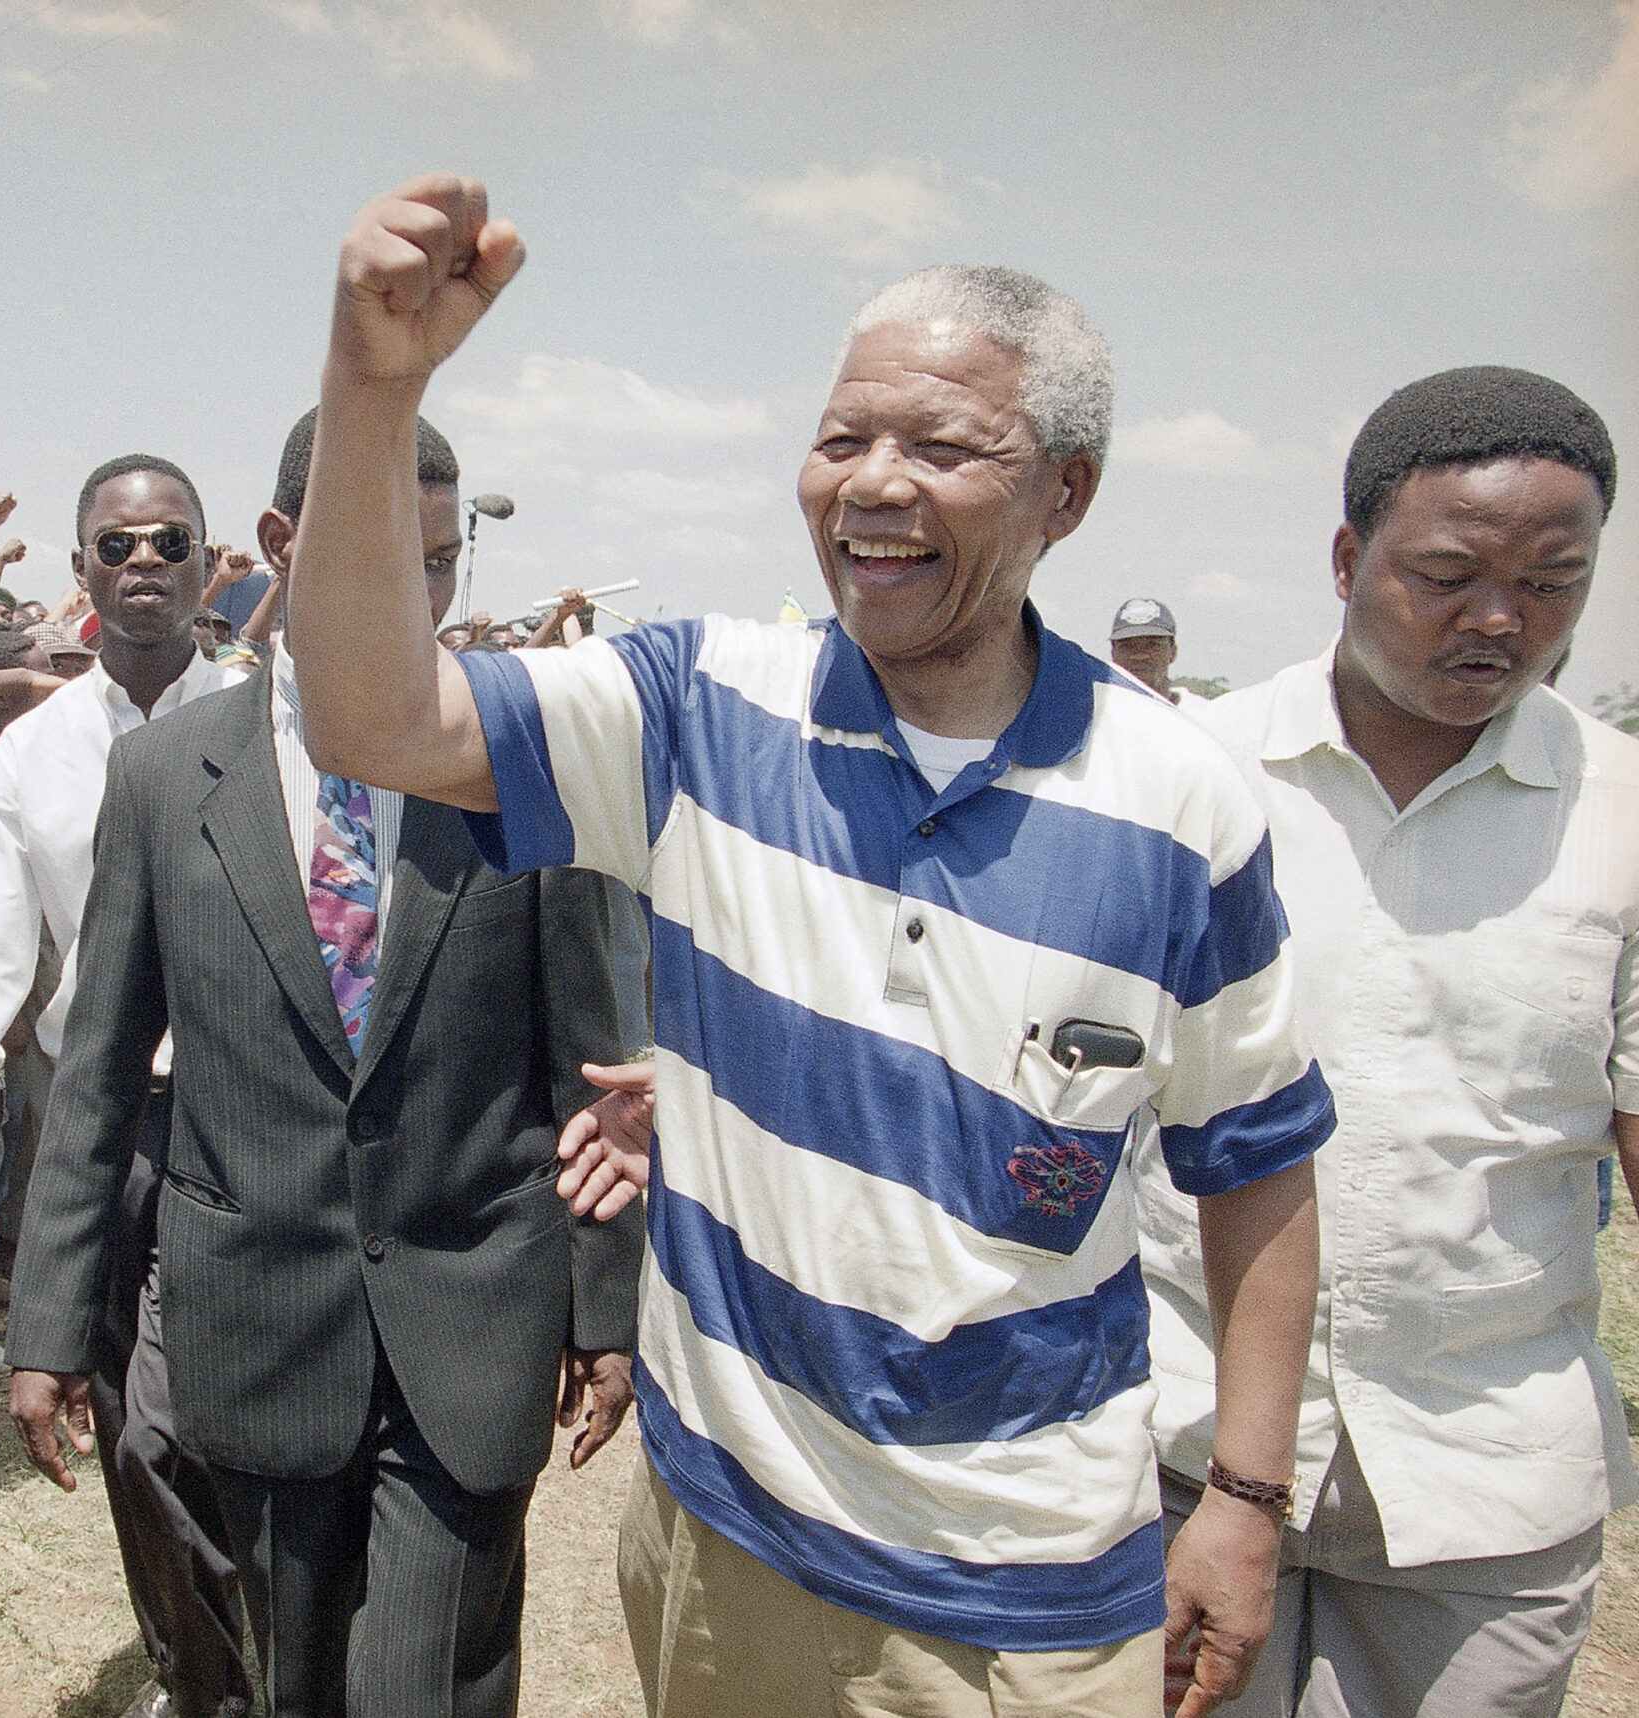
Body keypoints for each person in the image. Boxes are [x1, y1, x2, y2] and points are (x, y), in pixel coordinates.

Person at [286, 175, 1334, 1718]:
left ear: (1069, 491)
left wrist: (1242, 1500)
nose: (872, 485)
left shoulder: (1183, 807)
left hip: (1022, 1599)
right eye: (843, 438)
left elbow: (1257, 1166)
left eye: (941, 445)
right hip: (728, 1554)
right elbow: (371, 714)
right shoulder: (704, 707)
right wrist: (376, 388)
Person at [6, 405, 646, 1718]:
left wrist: (604, 1306)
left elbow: (590, 1059)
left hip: (472, 1313)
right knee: (295, 1681)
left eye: (438, 565)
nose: (413, 597)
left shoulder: (522, 767)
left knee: (429, 1680)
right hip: (258, 1326)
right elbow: (99, 1073)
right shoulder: (162, 776)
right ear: (283, 543)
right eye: (377, 560)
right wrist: (54, 1324)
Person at [1138, 366, 1636, 1718]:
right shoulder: (1181, 781)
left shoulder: (1626, 819)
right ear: (1350, 558)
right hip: (1170, 1442)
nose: (1499, 619)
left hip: (1486, 1491)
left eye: (1553, 580)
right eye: (1451, 572)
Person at [0, 452, 254, 1718]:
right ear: (81, 568)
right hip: (104, 1127)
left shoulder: (279, 721)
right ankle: (196, 1672)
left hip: (257, 1126)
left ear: (211, 561)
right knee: (132, 1429)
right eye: (117, 545)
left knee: (210, 1420)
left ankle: (250, 1663)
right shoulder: (34, 757)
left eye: (170, 541)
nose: (143, 562)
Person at [1109, 596, 1189, 702]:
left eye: (1152, 645)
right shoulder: (1095, 713)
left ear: (1173, 653)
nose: (1140, 656)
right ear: (1113, 654)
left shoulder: (1201, 715)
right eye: (1128, 646)